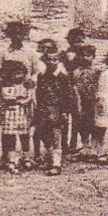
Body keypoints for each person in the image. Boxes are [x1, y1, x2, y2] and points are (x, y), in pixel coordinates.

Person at [32, 43, 76, 176]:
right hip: (44, 111)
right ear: (45, 61)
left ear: (59, 61)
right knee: (45, 137)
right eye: (49, 59)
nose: (52, 62)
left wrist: (64, 112)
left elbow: (68, 96)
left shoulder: (63, 77)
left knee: (56, 137)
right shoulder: (42, 76)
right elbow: (39, 94)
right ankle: (50, 159)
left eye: (55, 59)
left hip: (57, 111)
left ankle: (56, 164)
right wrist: (38, 110)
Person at [0, 60, 32, 173]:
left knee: (24, 136)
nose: (18, 76)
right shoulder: (6, 86)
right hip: (9, 113)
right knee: (10, 137)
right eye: (15, 73)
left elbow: (29, 98)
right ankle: (11, 159)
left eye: (21, 73)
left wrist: (24, 101)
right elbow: (4, 98)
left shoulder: (26, 85)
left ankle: (26, 157)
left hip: (22, 113)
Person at [70, 44, 100, 156]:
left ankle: (94, 147)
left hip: (94, 100)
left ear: (93, 57)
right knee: (82, 123)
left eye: (88, 55)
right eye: (83, 56)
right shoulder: (77, 72)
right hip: (82, 101)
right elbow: (75, 88)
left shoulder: (97, 71)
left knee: (95, 124)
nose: (85, 58)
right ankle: (84, 146)